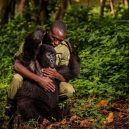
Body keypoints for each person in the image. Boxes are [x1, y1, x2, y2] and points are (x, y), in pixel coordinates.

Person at [5, 20, 80, 117]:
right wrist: (39, 79)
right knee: (17, 78)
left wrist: (56, 75)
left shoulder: (64, 47)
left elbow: (67, 75)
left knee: (68, 89)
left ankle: (48, 105)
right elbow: (18, 64)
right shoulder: (35, 39)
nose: (56, 43)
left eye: (60, 40)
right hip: (31, 77)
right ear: (49, 31)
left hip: (51, 84)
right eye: (54, 38)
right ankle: (11, 106)